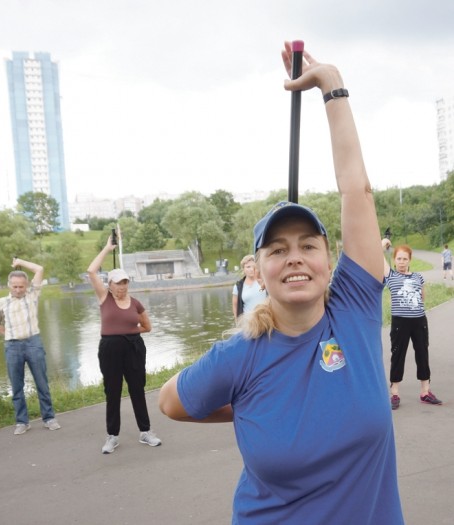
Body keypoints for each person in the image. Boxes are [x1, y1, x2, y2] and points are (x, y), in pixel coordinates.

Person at [159, 42, 404, 524]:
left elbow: (357, 190)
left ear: (330, 262)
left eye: (308, 245)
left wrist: (332, 86)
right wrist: (240, 411)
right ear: (259, 269)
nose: (295, 258)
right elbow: (170, 402)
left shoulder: (354, 308)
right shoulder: (240, 354)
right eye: (277, 249)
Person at [87, 236, 162, 454]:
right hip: (110, 349)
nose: (122, 286)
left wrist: (129, 332)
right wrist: (107, 247)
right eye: (118, 283)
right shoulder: (104, 298)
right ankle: (112, 436)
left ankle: (145, 432)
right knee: (113, 391)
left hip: (134, 347)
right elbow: (91, 271)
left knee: (137, 389)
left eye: (125, 282)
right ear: (109, 285)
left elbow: (147, 326)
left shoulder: (136, 303)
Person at [0, 258, 61, 435]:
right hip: (12, 346)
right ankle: (22, 421)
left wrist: (20, 261)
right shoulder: (2, 302)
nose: (18, 289)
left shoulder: (32, 296)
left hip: (33, 343)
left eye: (21, 286)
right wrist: (8, 334)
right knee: (17, 385)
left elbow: (40, 268)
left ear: (26, 285)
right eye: (14, 286)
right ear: (9, 285)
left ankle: (49, 418)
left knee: (42, 383)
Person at [382, 239, 442, 410]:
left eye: (404, 259)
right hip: (400, 322)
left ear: (410, 260)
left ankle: (425, 391)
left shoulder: (418, 277)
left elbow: (422, 297)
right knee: (398, 355)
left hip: (419, 321)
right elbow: (377, 256)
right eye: (399, 259)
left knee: (422, 354)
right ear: (394, 260)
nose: (401, 262)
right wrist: (383, 243)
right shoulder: (391, 276)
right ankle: (394, 393)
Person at [232, 254, 267, 321]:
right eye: (248, 267)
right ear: (243, 269)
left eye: (254, 266)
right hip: (248, 324)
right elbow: (235, 306)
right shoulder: (238, 286)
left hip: (266, 321)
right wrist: (238, 322)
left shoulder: (264, 281)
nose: (251, 269)